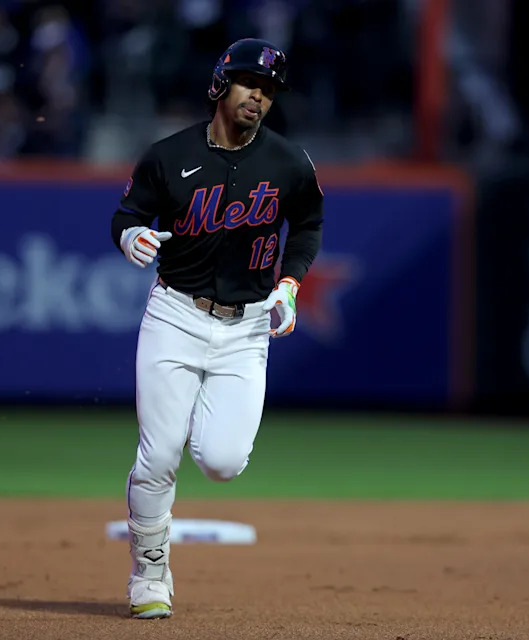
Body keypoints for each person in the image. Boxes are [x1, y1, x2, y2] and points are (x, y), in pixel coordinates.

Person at [109, 37, 324, 619]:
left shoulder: (288, 162)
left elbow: (305, 226)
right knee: (158, 458)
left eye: (269, 88)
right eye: (250, 82)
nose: (259, 95)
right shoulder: (167, 154)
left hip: (247, 327)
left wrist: (290, 282)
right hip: (176, 314)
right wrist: (132, 236)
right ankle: (149, 576)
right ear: (220, 85)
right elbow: (127, 215)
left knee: (223, 462)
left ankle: (179, 459)